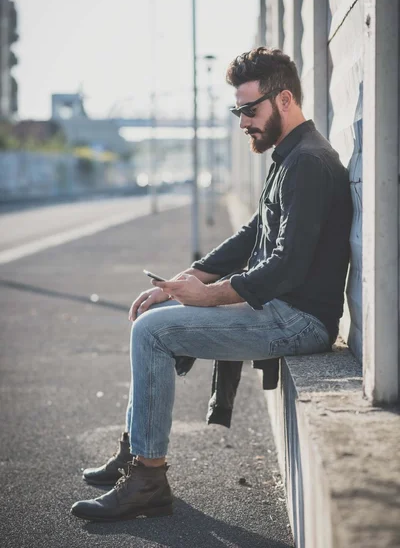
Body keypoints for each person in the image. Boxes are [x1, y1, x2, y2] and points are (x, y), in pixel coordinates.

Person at [70, 47, 353, 522]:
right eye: (237, 110)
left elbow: (286, 266)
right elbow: (253, 234)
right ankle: (137, 452)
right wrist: (187, 280)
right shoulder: (290, 155)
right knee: (156, 319)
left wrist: (211, 295)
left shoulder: (308, 163)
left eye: (250, 110)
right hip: (283, 310)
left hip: (300, 321)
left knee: (153, 332)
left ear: (284, 100)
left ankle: (147, 478)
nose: (242, 122)